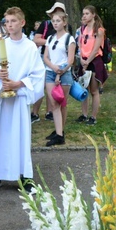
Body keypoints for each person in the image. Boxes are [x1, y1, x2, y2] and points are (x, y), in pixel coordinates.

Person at [0, 7, 44, 192]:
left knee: (20, 137)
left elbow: (38, 74)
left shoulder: (30, 47)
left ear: (22, 23)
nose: (9, 25)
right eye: (6, 22)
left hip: (18, 100)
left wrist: (19, 84)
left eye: (13, 21)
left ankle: (25, 177)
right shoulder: (1, 44)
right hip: (0, 99)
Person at [42, 10, 76, 146]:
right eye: (53, 21)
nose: (55, 23)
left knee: (62, 103)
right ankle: (59, 132)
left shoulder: (69, 39)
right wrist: (53, 67)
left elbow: (70, 60)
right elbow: (45, 57)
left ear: (64, 22)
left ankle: (60, 132)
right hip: (50, 72)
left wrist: (59, 72)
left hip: (64, 74)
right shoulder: (50, 38)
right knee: (53, 103)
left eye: (58, 21)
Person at [76, 5, 108, 125]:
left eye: (87, 13)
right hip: (84, 61)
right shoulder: (82, 29)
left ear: (93, 15)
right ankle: (84, 114)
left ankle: (93, 117)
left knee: (94, 90)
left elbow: (95, 50)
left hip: (94, 61)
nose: (84, 16)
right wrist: (82, 60)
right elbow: (80, 45)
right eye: (83, 13)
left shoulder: (99, 30)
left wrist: (87, 61)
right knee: (83, 88)